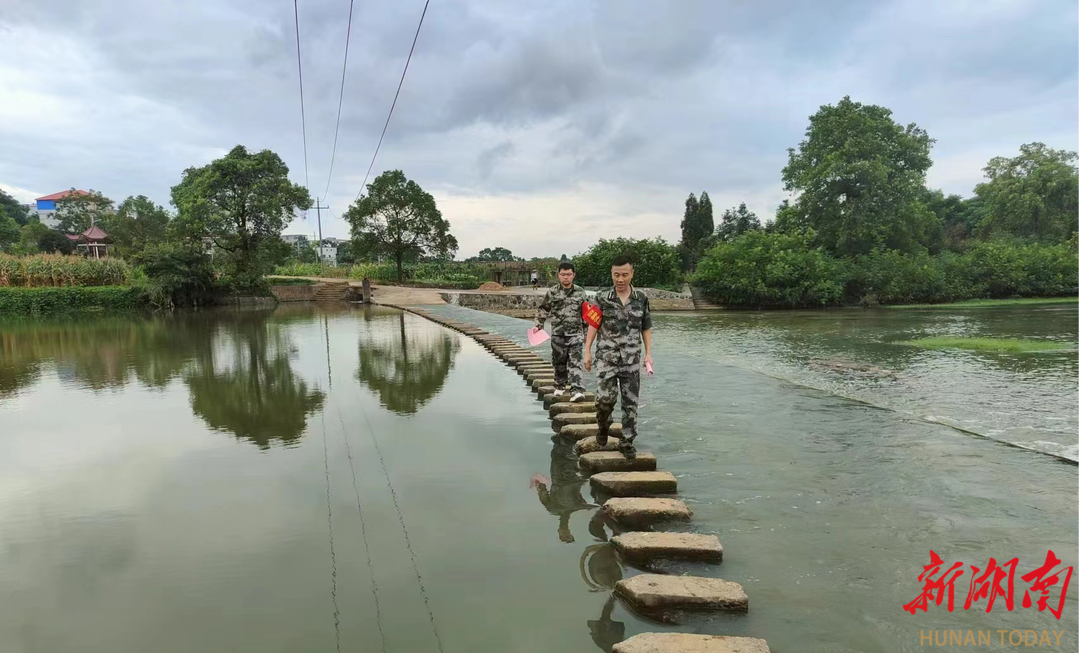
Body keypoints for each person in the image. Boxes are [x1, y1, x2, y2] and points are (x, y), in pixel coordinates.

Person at [584, 254, 652, 458]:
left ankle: (627, 441)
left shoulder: (641, 298)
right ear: (611, 275)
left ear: (632, 274)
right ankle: (603, 426)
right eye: (616, 275)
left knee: (630, 403)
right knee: (605, 399)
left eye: (624, 275)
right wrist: (587, 350)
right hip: (607, 357)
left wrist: (648, 354)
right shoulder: (601, 298)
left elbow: (646, 327)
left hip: (631, 360)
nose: (620, 279)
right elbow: (594, 324)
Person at [534, 261, 588, 402]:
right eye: (563, 274)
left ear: (573, 275)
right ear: (558, 275)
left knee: (575, 362)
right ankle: (560, 385)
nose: (566, 277)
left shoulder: (581, 292)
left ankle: (577, 390)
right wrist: (538, 325)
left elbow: (586, 313)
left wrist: (587, 334)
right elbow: (544, 309)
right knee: (559, 361)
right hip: (558, 333)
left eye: (569, 274)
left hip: (575, 333)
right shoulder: (552, 292)